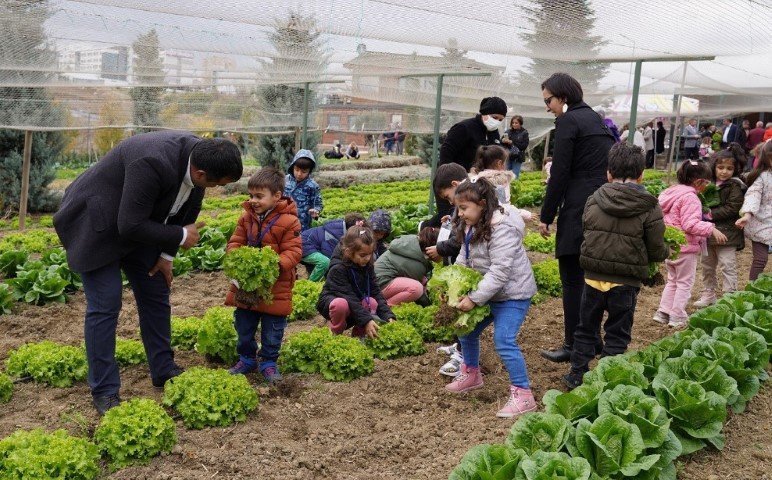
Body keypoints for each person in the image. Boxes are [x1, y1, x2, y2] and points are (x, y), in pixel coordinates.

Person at [52, 131, 243, 414]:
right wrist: (179, 236)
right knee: (106, 304)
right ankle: (104, 390)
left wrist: (167, 256)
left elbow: (186, 214)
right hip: (96, 224)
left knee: (155, 290)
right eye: (214, 184)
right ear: (200, 172)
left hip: (138, 225)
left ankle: (163, 369)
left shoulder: (200, 158)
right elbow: (130, 224)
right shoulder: (152, 160)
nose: (213, 188)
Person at [563, 143, 668, 389]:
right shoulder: (650, 206)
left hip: (592, 278)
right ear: (642, 175)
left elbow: (588, 231)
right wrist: (665, 251)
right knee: (618, 332)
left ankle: (576, 375)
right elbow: (655, 248)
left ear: (608, 172)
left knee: (585, 328)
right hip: (626, 281)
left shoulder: (594, 199)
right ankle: (607, 380)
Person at [444, 178, 538, 418]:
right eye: (458, 208)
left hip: (512, 295)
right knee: (466, 330)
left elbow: (500, 272)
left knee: (504, 340)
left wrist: (474, 299)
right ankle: (472, 374)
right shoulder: (470, 226)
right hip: (488, 293)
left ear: (483, 204)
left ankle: (523, 394)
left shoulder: (502, 228)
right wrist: (453, 285)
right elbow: (463, 261)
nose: (460, 213)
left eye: (464, 208)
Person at [538, 72, 615, 363]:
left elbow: (560, 172)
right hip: (601, 203)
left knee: (572, 278)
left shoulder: (569, 121)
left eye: (549, 101)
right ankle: (592, 339)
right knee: (591, 276)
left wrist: (546, 215)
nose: (548, 107)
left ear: (563, 97)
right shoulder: (596, 119)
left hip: (578, 206)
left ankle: (574, 344)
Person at [224, 168, 302, 381]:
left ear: (276, 196)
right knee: (244, 325)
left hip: (275, 286)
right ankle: (247, 359)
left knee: (272, 330)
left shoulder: (289, 221)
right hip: (247, 286)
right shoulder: (246, 218)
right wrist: (236, 257)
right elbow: (235, 242)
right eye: (251, 196)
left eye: (259, 196)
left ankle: (268, 362)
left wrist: (273, 266)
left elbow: (294, 251)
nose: (254, 201)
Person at [654, 161, 728, 328]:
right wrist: (711, 228)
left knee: (673, 280)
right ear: (698, 182)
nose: (707, 185)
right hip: (685, 247)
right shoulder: (690, 197)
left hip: (670, 245)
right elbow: (690, 224)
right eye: (706, 182)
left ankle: (663, 312)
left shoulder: (671, 193)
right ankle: (677, 316)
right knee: (684, 283)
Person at [429, 96, 507, 226]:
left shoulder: (493, 133)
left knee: (469, 218)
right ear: (484, 113)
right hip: (452, 183)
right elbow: (446, 153)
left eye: (500, 119)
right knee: (449, 217)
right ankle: (427, 228)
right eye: (494, 117)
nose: (497, 121)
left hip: (474, 185)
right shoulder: (464, 128)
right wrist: (449, 180)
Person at [424, 163, 466, 377]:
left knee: (463, 310)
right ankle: (459, 346)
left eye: (448, 197)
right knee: (457, 306)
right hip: (459, 265)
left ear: (455, 185)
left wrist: (440, 248)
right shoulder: (463, 204)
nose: (450, 202)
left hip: (466, 267)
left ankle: (463, 355)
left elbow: (461, 239)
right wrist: (450, 221)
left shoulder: (469, 202)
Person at [317, 226, 395, 338]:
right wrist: (367, 320)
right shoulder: (338, 269)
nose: (368, 258)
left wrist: (388, 315)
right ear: (348, 252)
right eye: (363, 255)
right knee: (340, 304)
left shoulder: (367, 266)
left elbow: (375, 291)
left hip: (355, 305)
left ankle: (359, 335)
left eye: (370, 254)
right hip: (334, 305)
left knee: (372, 302)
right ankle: (335, 333)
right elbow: (349, 297)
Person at [694, 150, 746, 307]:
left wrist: (708, 214)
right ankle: (709, 293)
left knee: (727, 265)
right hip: (708, 233)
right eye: (721, 167)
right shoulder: (706, 183)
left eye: (729, 168)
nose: (724, 171)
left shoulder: (735, 185)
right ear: (714, 167)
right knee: (707, 265)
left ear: (734, 170)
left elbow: (732, 208)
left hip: (728, 234)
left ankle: (730, 296)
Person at [375, 226, 438, 307]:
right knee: (416, 288)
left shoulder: (411, 242)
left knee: (422, 282)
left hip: (379, 279)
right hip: (379, 285)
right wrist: (429, 305)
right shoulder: (418, 265)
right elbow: (420, 290)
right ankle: (384, 308)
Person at [736, 139, 772, 280]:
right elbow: (753, 195)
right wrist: (747, 214)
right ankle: (753, 287)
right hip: (761, 223)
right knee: (761, 259)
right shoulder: (763, 177)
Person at [469, 145, 534, 222]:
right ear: (499, 163)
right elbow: (504, 207)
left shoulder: (474, 180)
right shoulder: (500, 182)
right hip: (496, 223)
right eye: (505, 162)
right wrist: (524, 214)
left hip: (477, 222)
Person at [300, 213, 366, 281]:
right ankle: (311, 283)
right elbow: (330, 256)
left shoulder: (343, 228)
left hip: (313, 246)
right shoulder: (334, 235)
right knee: (325, 262)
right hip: (303, 245)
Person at [284, 149, 323, 231]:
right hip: (284, 220)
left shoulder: (312, 186)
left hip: (302, 224)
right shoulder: (285, 180)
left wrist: (315, 211)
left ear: (309, 171)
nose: (299, 174)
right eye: (296, 170)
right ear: (292, 167)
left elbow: (318, 204)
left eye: (304, 171)